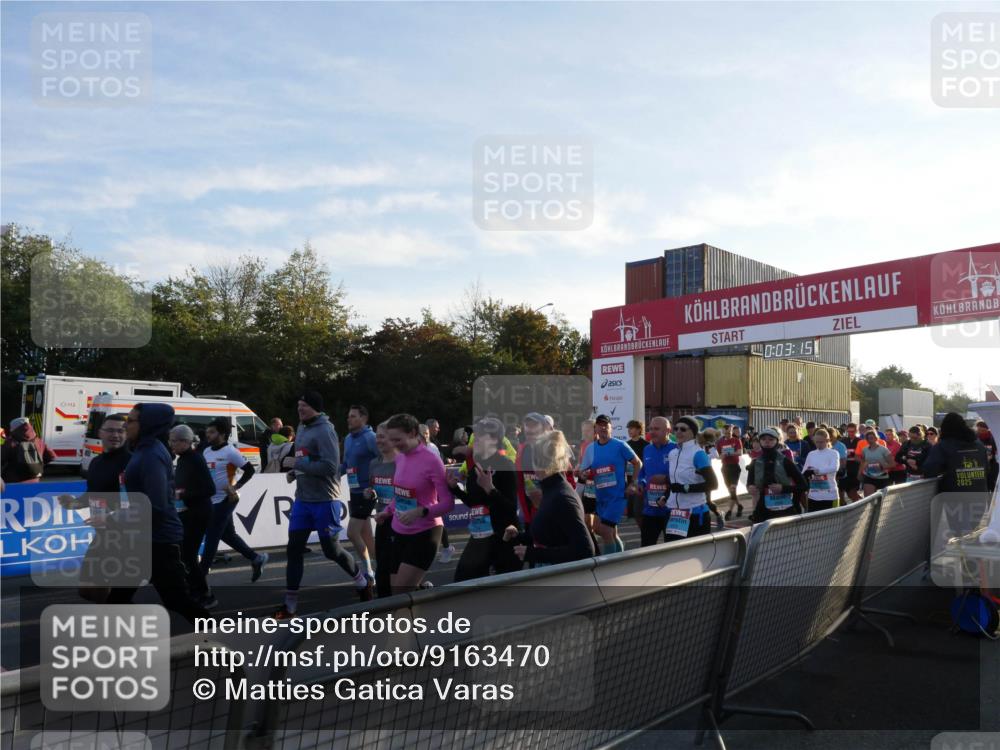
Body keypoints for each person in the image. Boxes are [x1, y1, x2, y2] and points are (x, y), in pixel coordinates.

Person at [106, 404, 209, 625]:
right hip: (144, 539)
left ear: (147, 425)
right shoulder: (144, 450)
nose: (126, 425)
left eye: (131, 421)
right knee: (117, 599)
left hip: (158, 541)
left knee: (176, 600)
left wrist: (118, 518)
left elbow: (157, 504)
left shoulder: (151, 454)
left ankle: (225, 639)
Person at [275, 391, 374, 619]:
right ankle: (290, 605)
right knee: (294, 549)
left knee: (331, 550)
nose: (299, 410)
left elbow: (330, 468)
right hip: (303, 499)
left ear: (315, 408)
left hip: (325, 500)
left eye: (304, 406)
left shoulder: (325, 430)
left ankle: (361, 580)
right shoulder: (302, 427)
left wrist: (298, 463)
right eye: (298, 405)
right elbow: (308, 460)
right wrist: (296, 471)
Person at [375, 413, 455, 593]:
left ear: (412, 433)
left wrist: (420, 512)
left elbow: (448, 504)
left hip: (424, 533)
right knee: (395, 593)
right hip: (398, 531)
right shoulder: (401, 457)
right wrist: (387, 511)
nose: (394, 445)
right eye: (392, 440)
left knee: (401, 592)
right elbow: (402, 494)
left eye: (398, 439)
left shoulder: (431, 460)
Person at [57, 413, 132, 604]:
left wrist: (113, 517)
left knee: (109, 590)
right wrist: (73, 503)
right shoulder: (97, 462)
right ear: (100, 433)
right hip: (103, 533)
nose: (115, 435)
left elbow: (139, 501)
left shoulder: (132, 462)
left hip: (125, 535)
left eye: (121, 430)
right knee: (88, 590)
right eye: (110, 430)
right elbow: (92, 494)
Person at [503, 430, 596, 566]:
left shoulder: (562, 496)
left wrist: (532, 554)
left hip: (560, 577)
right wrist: (519, 536)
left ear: (537, 463)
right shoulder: (552, 490)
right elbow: (552, 532)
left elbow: (585, 550)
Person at [448, 417, 521, 581]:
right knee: (461, 581)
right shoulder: (476, 466)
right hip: (479, 535)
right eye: (476, 435)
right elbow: (474, 503)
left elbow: (510, 508)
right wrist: (455, 489)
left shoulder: (505, 465)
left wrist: (491, 489)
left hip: (503, 537)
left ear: (495, 440)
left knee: (502, 595)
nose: (476, 439)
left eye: (481, 436)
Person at [199, 417, 267, 583]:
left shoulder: (231, 452)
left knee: (212, 534)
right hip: (211, 499)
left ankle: (200, 575)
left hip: (226, 499)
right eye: (207, 432)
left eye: (212, 432)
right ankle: (256, 558)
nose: (208, 435)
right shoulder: (207, 451)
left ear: (222, 434)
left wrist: (236, 488)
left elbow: (249, 470)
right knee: (228, 535)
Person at [922, 412, 990, 550]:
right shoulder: (978, 444)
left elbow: (929, 469)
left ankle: (970, 569)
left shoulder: (944, 445)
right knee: (973, 535)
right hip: (979, 495)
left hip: (955, 497)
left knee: (963, 539)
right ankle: (974, 568)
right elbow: (987, 468)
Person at [168, 424, 217, 608]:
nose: (170, 444)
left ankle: (205, 594)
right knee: (184, 553)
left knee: (188, 554)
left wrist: (182, 494)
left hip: (199, 512)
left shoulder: (195, 459)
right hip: (187, 511)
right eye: (170, 440)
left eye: (173, 441)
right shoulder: (182, 460)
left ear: (185, 442)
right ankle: (196, 590)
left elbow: (209, 489)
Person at [579, 414, 640, 554]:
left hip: (617, 496)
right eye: (599, 425)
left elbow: (638, 463)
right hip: (600, 497)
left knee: (605, 531)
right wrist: (584, 474)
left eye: (606, 425)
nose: (603, 427)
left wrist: (633, 483)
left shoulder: (620, 445)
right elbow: (583, 471)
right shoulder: (591, 448)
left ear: (611, 427)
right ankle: (620, 558)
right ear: (596, 429)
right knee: (611, 533)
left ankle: (608, 565)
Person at [662, 416, 718, 540]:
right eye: (676, 429)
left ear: (693, 432)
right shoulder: (673, 453)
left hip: (695, 513)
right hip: (674, 512)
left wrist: (684, 488)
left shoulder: (698, 454)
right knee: (673, 552)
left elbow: (713, 484)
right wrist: (665, 496)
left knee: (693, 556)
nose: (678, 432)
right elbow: (674, 483)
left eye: (683, 429)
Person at [342, 405, 380, 582]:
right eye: (348, 416)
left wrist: (374, 484)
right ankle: (380, 568)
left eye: (353, 416)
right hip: (354, 490)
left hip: (368, 492)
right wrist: (330, 475)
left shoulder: (370, 438)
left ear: (363, 419)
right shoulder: (348, 438)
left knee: (352, 532)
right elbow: (345, 465)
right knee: (365, 535)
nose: (349, 419)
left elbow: (384, 460)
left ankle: (368, 572)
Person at [747, 427, 806, 522]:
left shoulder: (786, 461)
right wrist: (750, 487)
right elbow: (750, 483)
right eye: (763, 439)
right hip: (763, 512)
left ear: (777, 441)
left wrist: (783, 488)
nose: (767, 442)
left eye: (771, 439)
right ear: (760, 442)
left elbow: (804, 486)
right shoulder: (755, 462)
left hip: (786, 510)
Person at [365, 421, 397, 597]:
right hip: (381, 520)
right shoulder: (374, 463)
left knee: (394, 565)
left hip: (400, 521)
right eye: (377, 436)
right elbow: (373, 487)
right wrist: (369, 493)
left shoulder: (402, 462)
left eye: (383, 436)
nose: (378, 440)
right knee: (382, 565)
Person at [634, 417, 676, 546]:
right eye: (650, 429)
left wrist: (665, 479)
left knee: (673, 549)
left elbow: (684, 476)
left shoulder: (676, 450)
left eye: (656, 429)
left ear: (668, 430)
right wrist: (640, 483)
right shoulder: (647, 449)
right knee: (646, 548)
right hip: (650, 510)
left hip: (671, 511)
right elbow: (643, 471)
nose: (652, 432)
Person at [1, 417, 55, 484]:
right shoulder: (38, 441)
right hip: (34, 480)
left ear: (14, 428)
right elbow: (52, 456)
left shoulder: (11, 442)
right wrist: (37, 463)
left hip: (13, 482)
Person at [801, 428, 840, 512]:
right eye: (817, 442)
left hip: (830, 495)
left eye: (821, 442)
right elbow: (804, 471)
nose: (819, 444)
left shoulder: (833, 453)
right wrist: (807, 473)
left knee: (831, 523)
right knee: (814, 523)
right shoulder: (811, 454)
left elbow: (834, 467)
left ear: (827, 440)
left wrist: (816, 471)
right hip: (813, 495)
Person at [716, 424, 745, 519]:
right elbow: (719, 456)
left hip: (734, 467)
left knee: (733, 488)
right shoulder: (719, 442)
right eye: (726, 432)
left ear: (732, 431)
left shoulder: (736, 440)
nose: (728, 434)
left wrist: (730, 452)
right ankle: (739, 506)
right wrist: (722, 456)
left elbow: (740, 452)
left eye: (730, 432)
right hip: (725, 468)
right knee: (731, 492)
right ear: (723, 432)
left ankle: (729, 511)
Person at [856, 429, 895, 497]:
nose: (869, 440)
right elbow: (863, 462)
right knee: (868, 499)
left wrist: (882, 466)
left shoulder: (883, 449)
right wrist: (859, 473)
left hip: (882, 477)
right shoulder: (865, 450)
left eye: (871, 438)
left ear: (876, 438)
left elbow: (892, 464)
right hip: (869, 477)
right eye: (867, 438)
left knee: (881, 501)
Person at [625, 419, 649, 530]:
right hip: (629, 477)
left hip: (642, 479)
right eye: (628, 428)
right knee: (632, 506)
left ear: (639, 429)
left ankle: (644, 526)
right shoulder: (626, 444)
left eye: (632, 428)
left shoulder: (646, 445)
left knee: (639, 507)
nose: (629, 430)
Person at [575, 419, 597, 533]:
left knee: (593, 519)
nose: (585, 433)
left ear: (595, 431)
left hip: (594, 483)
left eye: (588, 430)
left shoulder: (598, 445)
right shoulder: (583, 444)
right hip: (582, 480)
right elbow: (580, 460)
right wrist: (577, 467)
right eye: (583, 430)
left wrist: (589, 471)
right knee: (581, 510)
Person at [839, 423, 864, 502]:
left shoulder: (860, 441)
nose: (850, 433)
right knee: (843, 490)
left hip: (855, 469)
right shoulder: (843, 441)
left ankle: (859, 505)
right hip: (845, 469)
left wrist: (852, 454)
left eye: (852, 431)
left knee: (852, 492)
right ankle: (844, 505)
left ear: (856, 431)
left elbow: (862, 456)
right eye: (849, 431)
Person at [975, 420, 998, 491]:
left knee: (992, 485)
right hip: (980, 466)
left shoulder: (993, 437)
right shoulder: (975, 439)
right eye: (978, 430)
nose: (980, 432)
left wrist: (993, 456)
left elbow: (996, 451)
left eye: (982, 430)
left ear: (987, 429)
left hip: (992, 466)